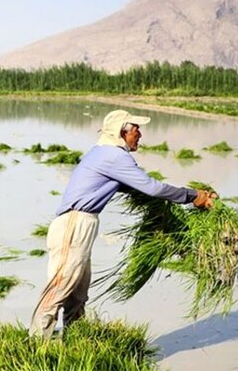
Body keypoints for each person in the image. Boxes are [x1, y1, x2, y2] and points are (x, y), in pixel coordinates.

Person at [29, 110, 217, 339]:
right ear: (122, 132)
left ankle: (74, 342)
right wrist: (192, 195)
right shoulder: (113, 156)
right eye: (136, 129)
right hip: (74, 225)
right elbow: (152, 187)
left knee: (77, 293)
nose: (140, 134)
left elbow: (139, 188)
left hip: (81, 224)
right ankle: (37, 345)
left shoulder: (103, 153)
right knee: (60, 287)